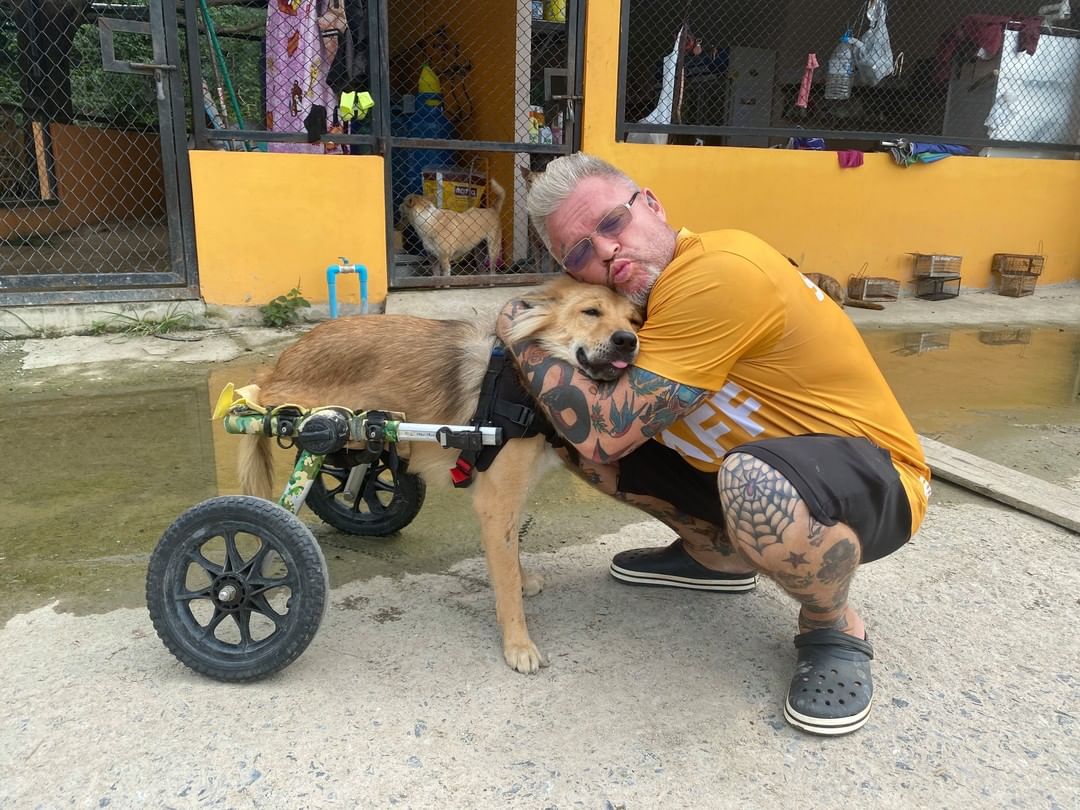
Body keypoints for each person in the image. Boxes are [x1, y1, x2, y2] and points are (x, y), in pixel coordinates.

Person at [495, 152, 930, 736]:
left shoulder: (719, 271)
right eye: (580, 252)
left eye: (612, 223)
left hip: (873, 480)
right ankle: (714, 556)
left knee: (651, 447)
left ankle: (832, 626)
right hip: (746, 471)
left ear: (651, 205)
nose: (604, 252)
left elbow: (603, 433)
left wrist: (517, 329)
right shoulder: (637, 308)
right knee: (561, 426)